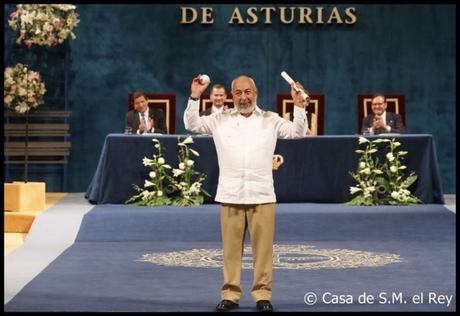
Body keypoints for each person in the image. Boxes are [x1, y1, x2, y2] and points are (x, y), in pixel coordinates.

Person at [184, 74, 309, 312]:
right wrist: (195, 96)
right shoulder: (219, 119)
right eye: (238, 93)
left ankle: (262, 295)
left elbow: (297, 132)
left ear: (256, 93)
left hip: (262, 194)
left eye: (247, 92)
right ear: (232, 96)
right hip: (230, 194)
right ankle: (230, 295)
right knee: (230, 250)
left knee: (263, 250)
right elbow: (192, 124)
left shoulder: (271, 119)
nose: (243, 97)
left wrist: (299, 105)